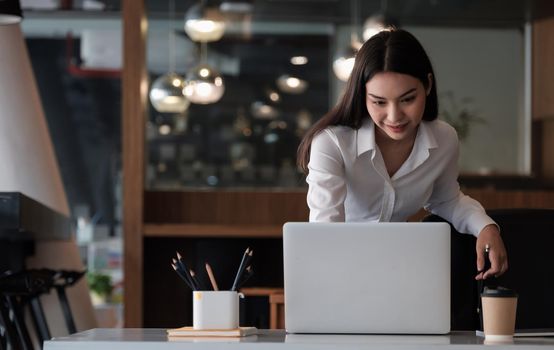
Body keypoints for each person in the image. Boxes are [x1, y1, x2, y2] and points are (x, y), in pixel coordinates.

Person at [297, 28, 507, 280]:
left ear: (427, 85)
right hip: (341, 271)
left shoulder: (444, 138)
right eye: (379, 102)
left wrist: (486, 226)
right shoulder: (332, 143)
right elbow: (325, 232)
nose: (394, 116)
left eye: (407, 99)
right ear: (362, 96)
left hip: (402, 269)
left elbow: (446, 199)